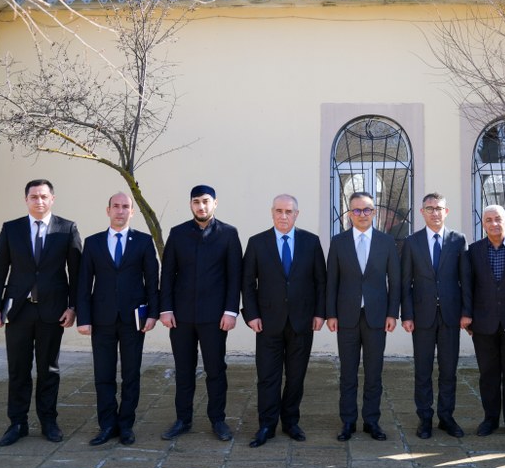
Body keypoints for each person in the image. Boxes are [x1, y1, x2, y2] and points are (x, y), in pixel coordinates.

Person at [0, 178, 82, 446]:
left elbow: (76, 273)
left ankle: (48, 421)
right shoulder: (11, 229)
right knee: (18, 369)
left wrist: (73, 307)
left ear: (52, 199)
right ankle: (17, 423)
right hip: (18, 311)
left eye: (43, 196)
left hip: (53, 312)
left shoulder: (67, 229)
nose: (39, 201)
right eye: (33, 197)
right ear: (26, 200)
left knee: (48, 369)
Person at [241, 194, 327, 448]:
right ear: (272, 213)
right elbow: (247, 282)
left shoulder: (311, 242)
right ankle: (266, 425)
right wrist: (251, 315)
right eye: (279, 211)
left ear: (296, 214)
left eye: (289, 211)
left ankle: (290, 422)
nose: (283, 216)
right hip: (267, 322)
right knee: (268, 376)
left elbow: (321, 282)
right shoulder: (257, 243)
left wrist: (319, 313)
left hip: (302, 322)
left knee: (296, 376)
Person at [159, 185, 242, 442]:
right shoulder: (178, 233)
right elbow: (167, 274)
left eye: (206, 201)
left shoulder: (228, 234)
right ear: (191, 205)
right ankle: (183, 419)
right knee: (184, 370)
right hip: (181, 316)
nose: (201, 206)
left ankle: (218, 420)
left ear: (215, 203)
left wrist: (231, 311)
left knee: (215, 370)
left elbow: (235, 277)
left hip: (215, 317)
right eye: (196, 202)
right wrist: (166, 309)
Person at [76, 192, 160, 446]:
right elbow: (83, 283)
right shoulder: (93, 243)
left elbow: (152, 281)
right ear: (108, 210)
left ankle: (126, 425)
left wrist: (153, 314)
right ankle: (107, 425)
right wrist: (83, 318)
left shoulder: (143, 242)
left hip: (133, 320)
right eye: (116, 206)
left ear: (131, 212)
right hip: (102, 319)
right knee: (103, 374)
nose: (120, 211)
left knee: (131, 374)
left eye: (125, 207)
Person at [326, 191, 401, 442]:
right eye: (357, 210)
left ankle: (372, 421)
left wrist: (392, 313)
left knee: (374, 373)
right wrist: (330, 314)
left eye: (367, 209)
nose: (362, 214)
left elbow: (395, 281)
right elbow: (331, 281)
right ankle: (348, 422)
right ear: (350, 214)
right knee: (347, 374)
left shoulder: (386, 242)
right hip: (346, 317)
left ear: (374, 212)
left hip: (377, 317)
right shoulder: (338, 242)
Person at [401, 193, 471, 439]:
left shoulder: (458, 240)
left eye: (439, 208)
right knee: (423, 371)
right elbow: (405, 282)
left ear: (446, 211)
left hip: (451, 316)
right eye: (429, 208)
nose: (434, 213)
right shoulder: (412, 242)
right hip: (422, 317)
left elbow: (465, 279)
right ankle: (425, 419)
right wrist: (407, 315)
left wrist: (466, 312)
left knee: (448, 370)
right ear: (422, 212)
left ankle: (446, 417)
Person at [465, 204, 505, 439]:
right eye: (489, 220)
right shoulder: (473, 251)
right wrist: (468, 317)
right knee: (488, 375)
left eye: (498, 219)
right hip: (483, 324)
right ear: (483, 224)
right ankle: (490, 419)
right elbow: (468, 286)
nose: (494, 224)